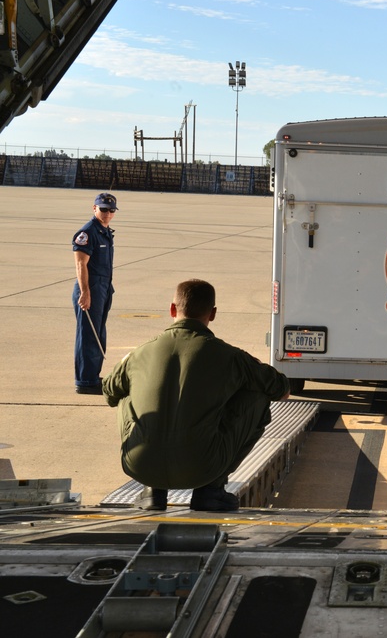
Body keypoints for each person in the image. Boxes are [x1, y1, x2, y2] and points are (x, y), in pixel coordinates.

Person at [103, 279, 290, 511]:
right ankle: (211, 490)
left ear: (172, 309)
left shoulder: (139, 352)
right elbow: (281, 389)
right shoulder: (230, 356)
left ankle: (152, 490)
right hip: (202, 467)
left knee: (124, 394)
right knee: (258, 399)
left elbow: (109, 392)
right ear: (212, 314)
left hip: (140, 464)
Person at [72, 192, 118, 395]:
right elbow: (81, 264)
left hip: (103, 287)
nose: (107, 213)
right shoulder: (87, 233)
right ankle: (85, 381)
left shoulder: (104, 231)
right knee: (88, 335)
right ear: (94, 208)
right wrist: (85, 292)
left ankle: (92, 375)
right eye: (103, 209)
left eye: (111, 210)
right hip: (90, 288)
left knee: (98, 334)